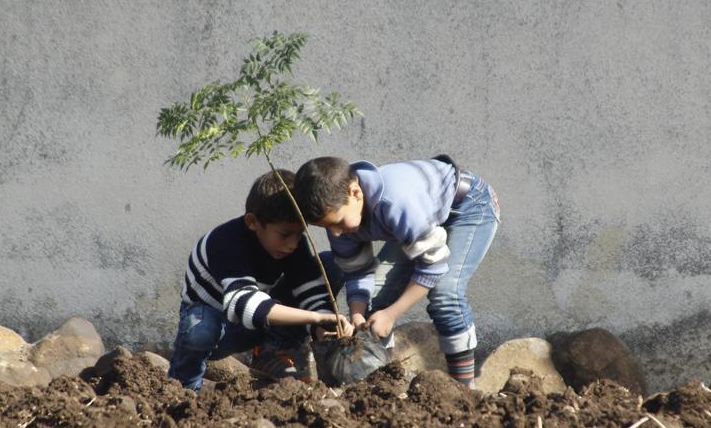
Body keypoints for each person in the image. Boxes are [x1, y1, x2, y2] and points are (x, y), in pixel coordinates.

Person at [294, 155, 499, 388]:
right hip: (418, 222)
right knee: (376, 303)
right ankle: (382, 384)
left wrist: (391, 315)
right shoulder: (339, 218)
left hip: (468, 206)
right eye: (327, 227)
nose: (336, 233)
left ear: (355, 193)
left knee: (445, 294)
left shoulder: (396, 203)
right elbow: (357, 270)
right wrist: (358, 314)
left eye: (338, 223)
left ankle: (464, 390)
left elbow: (433, 266)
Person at [168, 169, 352, 391]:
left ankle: (270, 351)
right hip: (219, 320)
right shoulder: (226, 242)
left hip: (257, 316)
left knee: (332, 264)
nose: (293, 244)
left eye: (299, 233)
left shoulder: (292, 246)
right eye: (285, 234)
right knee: (201, 330)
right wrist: (315, 318)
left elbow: (311, 294)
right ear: (253, 222)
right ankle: (184, 387)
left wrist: (324, 326)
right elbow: (245, 305)